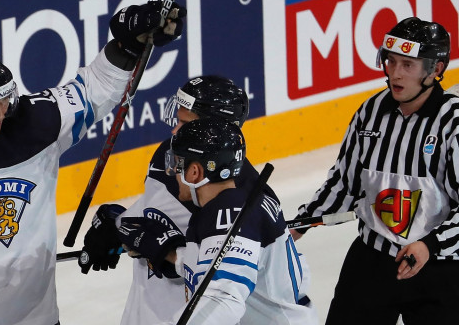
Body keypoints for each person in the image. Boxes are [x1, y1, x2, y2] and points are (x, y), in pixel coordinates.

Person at [0, 0, 186, 325]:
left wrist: (128, 43)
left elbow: (95, 88)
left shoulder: (36, 121)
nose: (2, 112)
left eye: (6, 99)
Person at [291, 17, 459, 324]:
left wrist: (430, 244)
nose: (395, 73)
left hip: (439, 267)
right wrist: (300, 223)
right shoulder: (371, 112)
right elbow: (345, 184)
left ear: (434, 70)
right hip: (372, 259)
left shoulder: (453, 124)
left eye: (408, 64)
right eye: (391, 61)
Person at [77, 75, 258, 325]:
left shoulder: (236, 196)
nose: (174, 129)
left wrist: (170, 254)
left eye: (184, 122)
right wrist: (118, 224)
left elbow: (221, 283)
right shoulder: (169, 154)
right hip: (143, 311)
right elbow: (154, 210)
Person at [118, 117, 318, 324]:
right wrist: (167, 251)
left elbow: (223, 300)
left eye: (178, 164)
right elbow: (219, 267)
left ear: (195, 172)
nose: (174, 172)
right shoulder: (233, 205)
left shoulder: (228, 214)